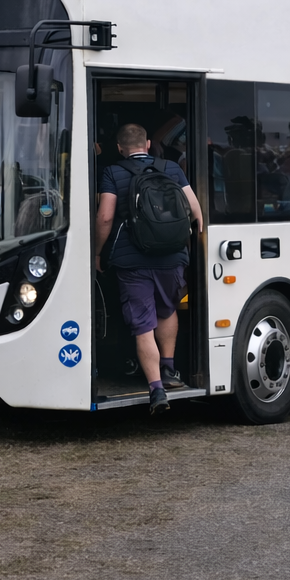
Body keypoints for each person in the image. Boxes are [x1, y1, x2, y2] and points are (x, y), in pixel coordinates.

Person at [95, 123, 204, 415]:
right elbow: (195, 211)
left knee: (143, 324)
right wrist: (187, 246)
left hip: (132, 262)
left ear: (120, 148)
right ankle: (169, 369)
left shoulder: (112, 172)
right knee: (167, 310)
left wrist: (96, 253)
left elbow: (105, 217)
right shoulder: (171, 168)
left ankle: (156, 389)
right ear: (146, 145)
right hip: (172, 258)